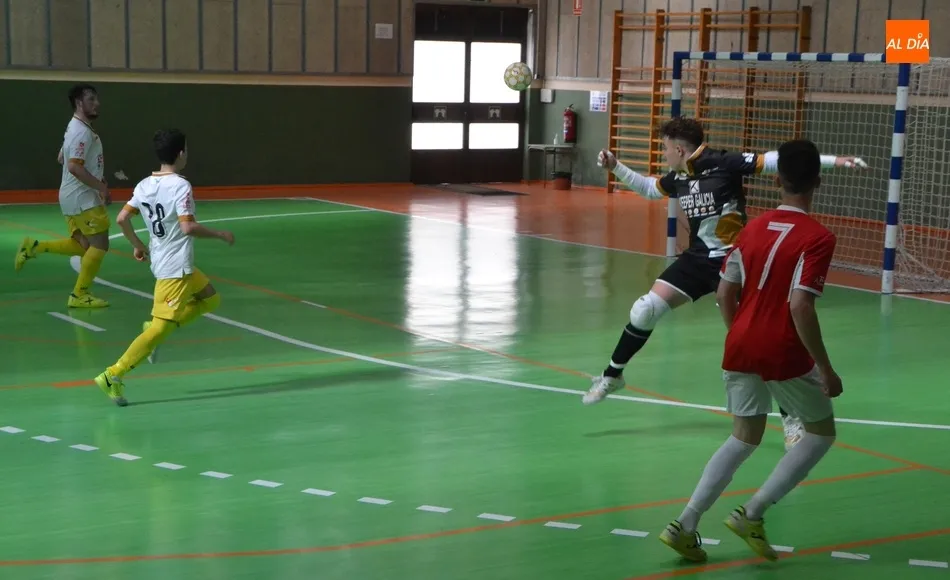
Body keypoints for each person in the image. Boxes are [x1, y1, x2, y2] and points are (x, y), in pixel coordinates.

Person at [584, 117, 863, 451]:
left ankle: (791, 417)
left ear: (679, 149)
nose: (664, 154)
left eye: (665, 148)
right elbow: (649, 189)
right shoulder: (680, 176)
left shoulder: (723, 162)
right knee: (644, 310)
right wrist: (615, 166)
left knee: (762, 338)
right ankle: (613, 375)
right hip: (697, 259)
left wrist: (835, 161)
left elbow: (775, 161)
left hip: (736, 260)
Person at [657, 139, 844, 563]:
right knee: (820, 433)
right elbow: (800, 305)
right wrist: (825, 368)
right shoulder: (818, 238)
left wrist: (741, 333)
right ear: (817, 182)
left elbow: (725, 292)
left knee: (743, 437)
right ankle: (753, 513)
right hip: (781, 349)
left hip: (740, 342)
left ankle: (684, 524)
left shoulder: (752, 228)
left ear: (777, 181)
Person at [94, 129, 234, 407]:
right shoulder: (181, 186)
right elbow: (187, 227)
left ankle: (158, 329)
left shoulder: (144, 185)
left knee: (210, 298)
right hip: (174, 268)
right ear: (181, 154)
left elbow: (122, 218)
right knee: (160, 329)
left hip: (169, 262)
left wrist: (137, 245)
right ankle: (113, 374)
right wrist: (219, 234)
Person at [15, 84, 113, 308]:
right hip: (82, 198)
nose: (97, 103)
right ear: (79, 103)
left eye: (96, 99)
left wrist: (96, 175)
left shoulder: (74, 127)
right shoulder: (81, 132)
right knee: (100, 244)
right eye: (91, 99)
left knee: (82, 245)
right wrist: (101, 187)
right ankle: (79, 294)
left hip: (71, 196)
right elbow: (73, 166)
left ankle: (34, 247)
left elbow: (62, 157)